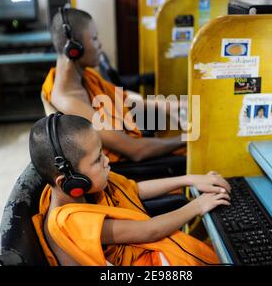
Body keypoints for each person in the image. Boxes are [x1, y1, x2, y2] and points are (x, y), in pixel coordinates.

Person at [30, 114, 232, 266]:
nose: (107, 160)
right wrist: (198, 205)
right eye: (97, 159)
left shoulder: (80, 191)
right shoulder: (70, 222)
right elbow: (149, 231)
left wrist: (188, 180)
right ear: (72, 181)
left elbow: (134, 189)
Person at [42, 8, 186, 164]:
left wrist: (172, 105)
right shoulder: (69, 102)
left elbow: (121, 99)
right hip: (119, 170)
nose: (100, 45)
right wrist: (187, 139)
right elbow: (136, 150)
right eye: (95, 38)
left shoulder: (85, 77)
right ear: (74, 49)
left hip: (129, 152)